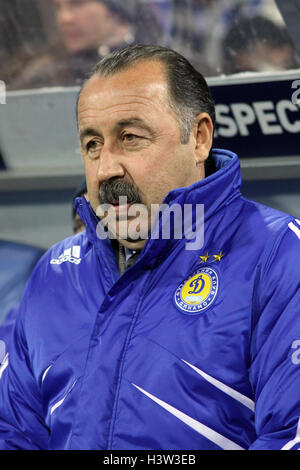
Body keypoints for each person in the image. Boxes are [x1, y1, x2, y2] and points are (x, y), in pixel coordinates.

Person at [0, 44, 300, 450]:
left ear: (199, 138)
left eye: (130, 138)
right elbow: (13, 433)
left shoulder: (278, 254)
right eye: (92, 145)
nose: (106, 169)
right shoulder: (55, 272)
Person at [7, 0, 162, 89]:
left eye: (77, 4)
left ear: (116, 12)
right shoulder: (46, 71)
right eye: (58, 7)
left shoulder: (159, 65)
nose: (64, 18)